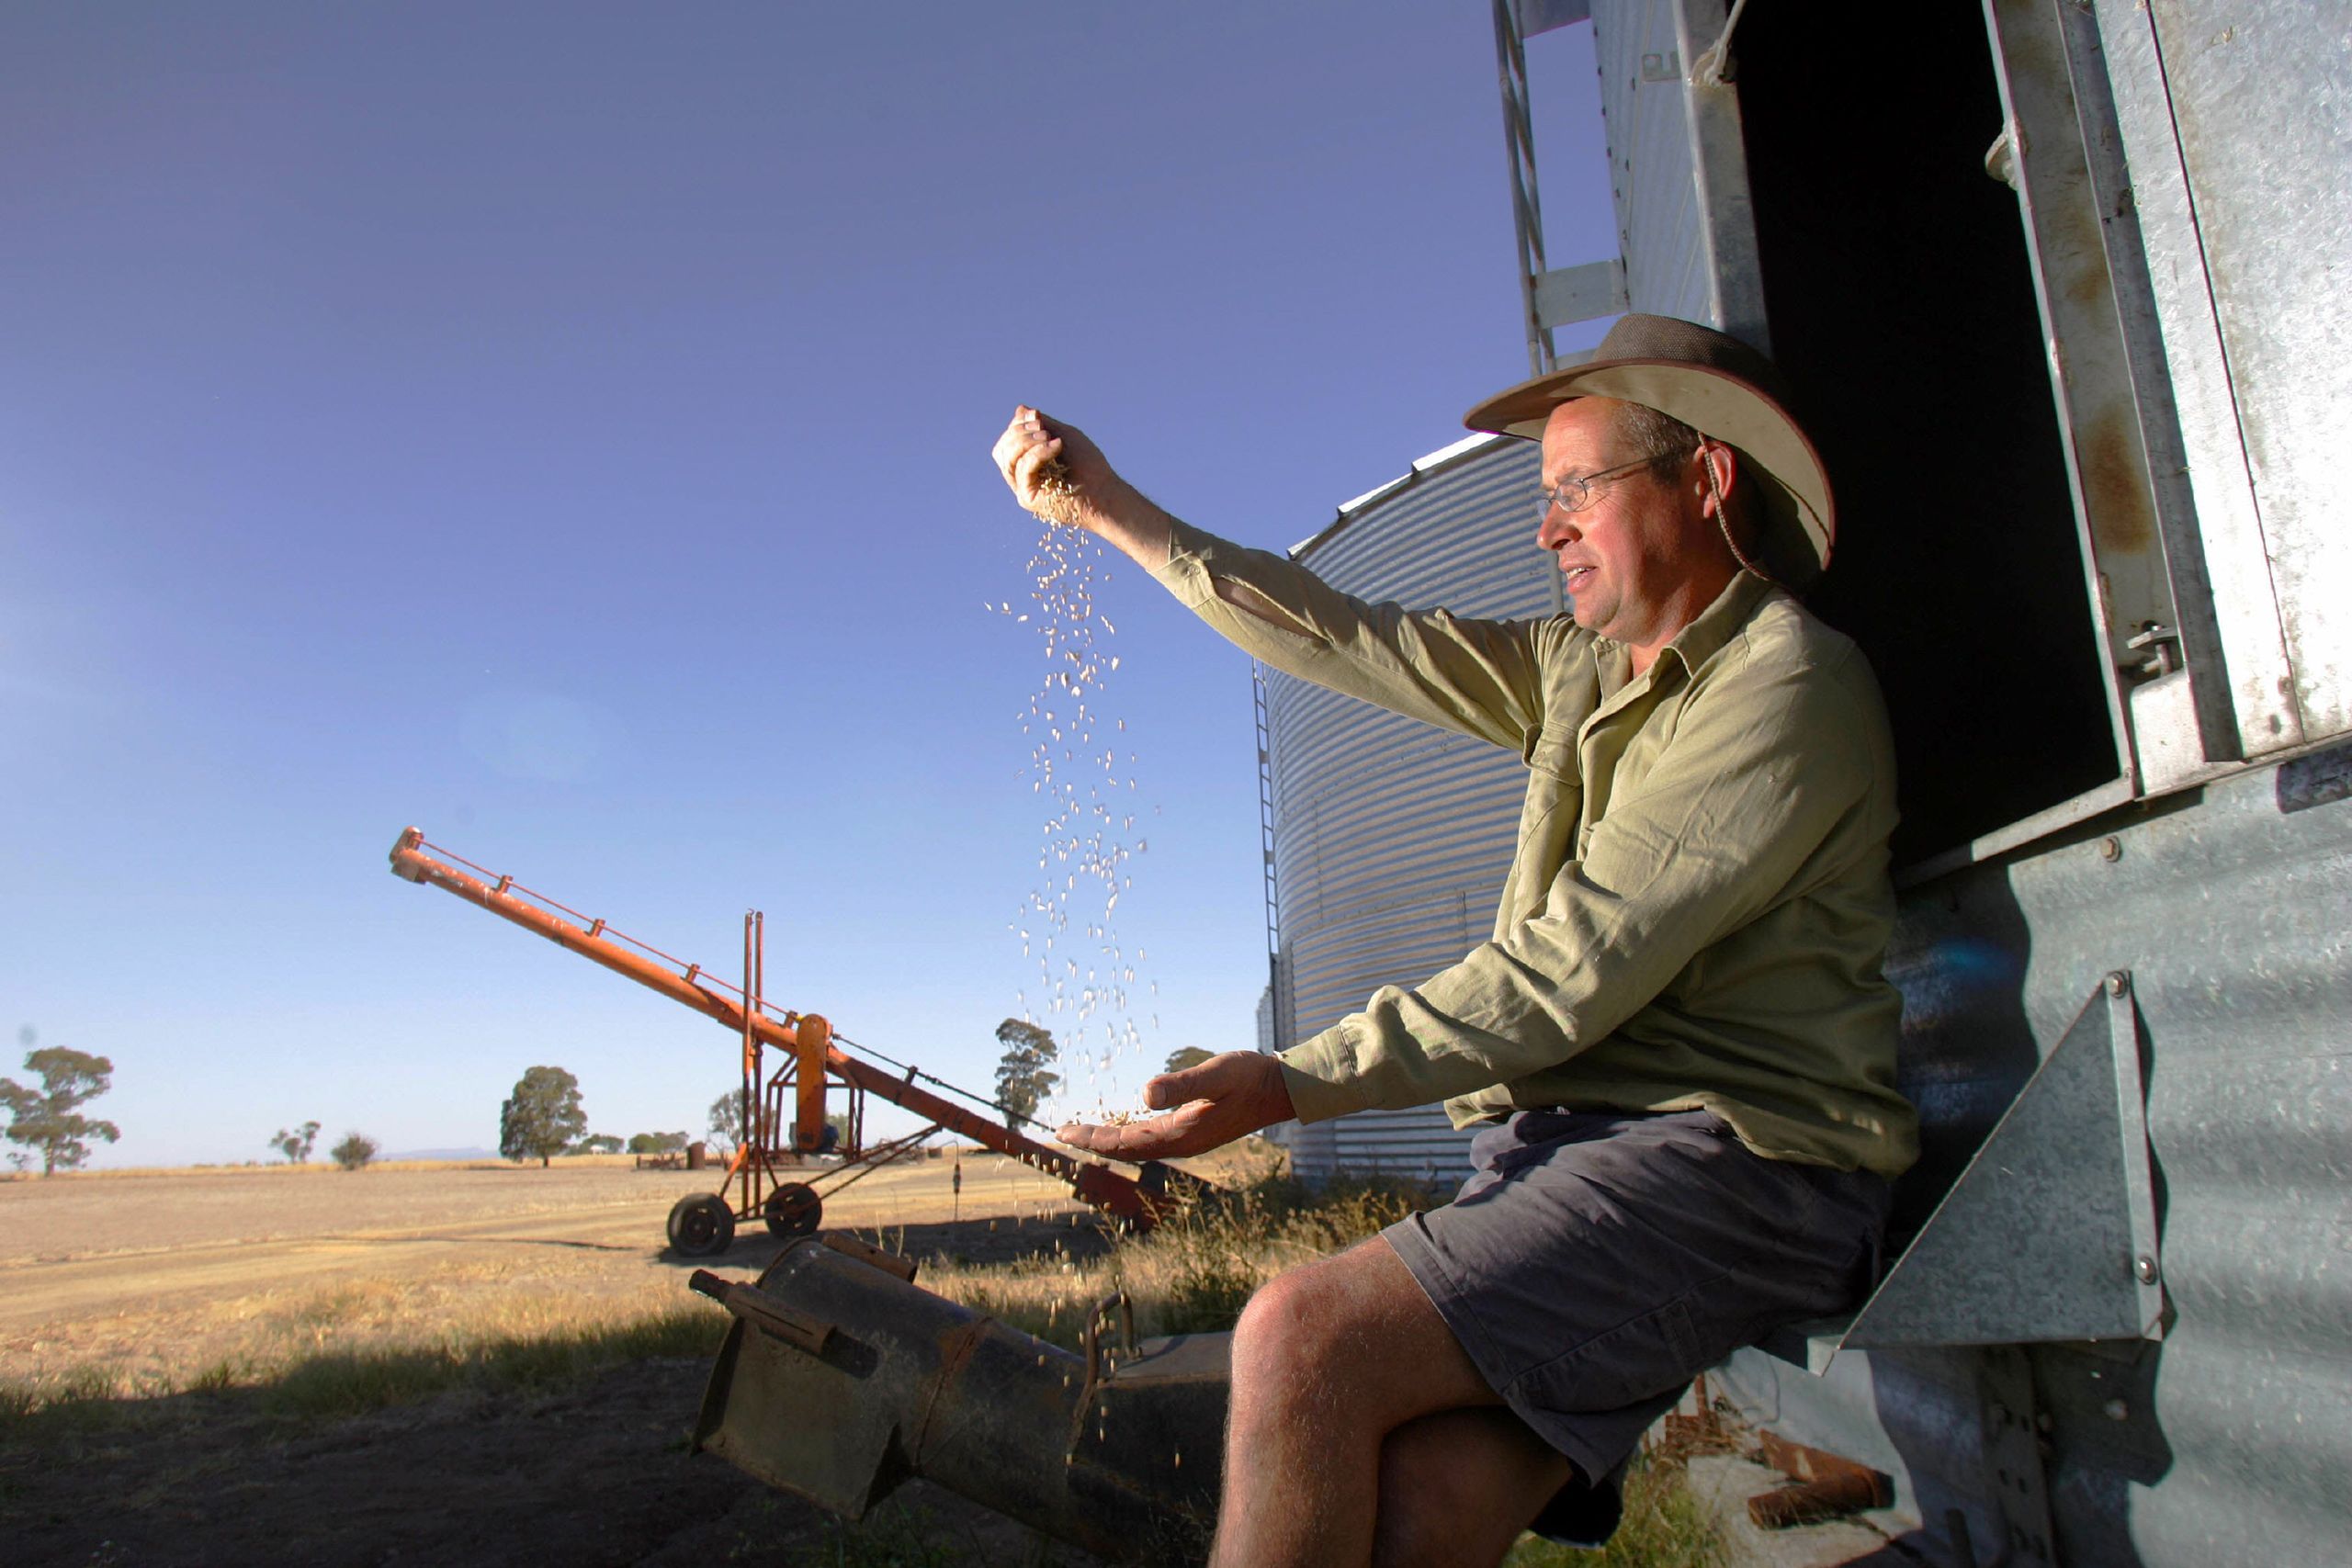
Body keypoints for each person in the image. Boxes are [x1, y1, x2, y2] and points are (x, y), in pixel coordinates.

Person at [991, 314, 1917, 1568]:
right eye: (1546, 499)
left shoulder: (1785, 687)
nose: (1547, 529)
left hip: (1744, 1166)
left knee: (1297, 1333)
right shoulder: (1573, 670)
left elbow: (1563, 975)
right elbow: (1330, 633)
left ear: (1705, 480)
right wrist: (1104, 508)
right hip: (1576, 1158)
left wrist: (1283, 1084)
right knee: (1422, 1508)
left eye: (1577, 490)